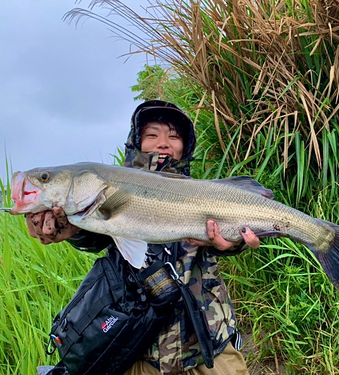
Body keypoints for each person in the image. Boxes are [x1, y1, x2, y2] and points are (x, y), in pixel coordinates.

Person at [27, 100, 260, 375]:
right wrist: (66, 229)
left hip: (210, 346)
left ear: (186, 146)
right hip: (137, 350)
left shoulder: (205, 192)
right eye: (152, 135)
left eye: (173, 136)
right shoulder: (107, 191)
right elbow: (93, 237)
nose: (163, 143)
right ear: (136, 143)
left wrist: (234, 243)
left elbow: (228, 240)